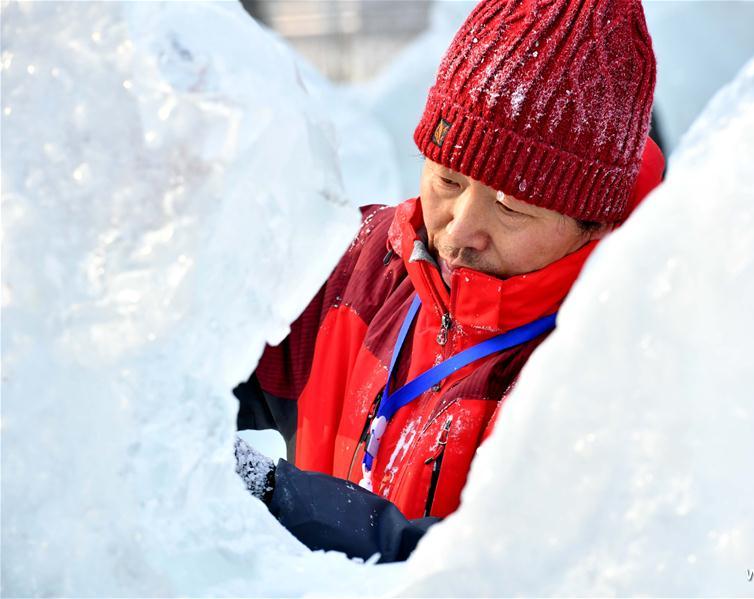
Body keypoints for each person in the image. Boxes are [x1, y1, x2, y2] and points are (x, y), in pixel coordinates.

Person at [233, 0, 665, 563]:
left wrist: (281, 500)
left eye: (511, 208)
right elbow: (181, 372)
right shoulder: (356, 263)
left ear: (593, 224)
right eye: (447, 177)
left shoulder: (615, 366)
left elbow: (507, 572)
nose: (461, 229)